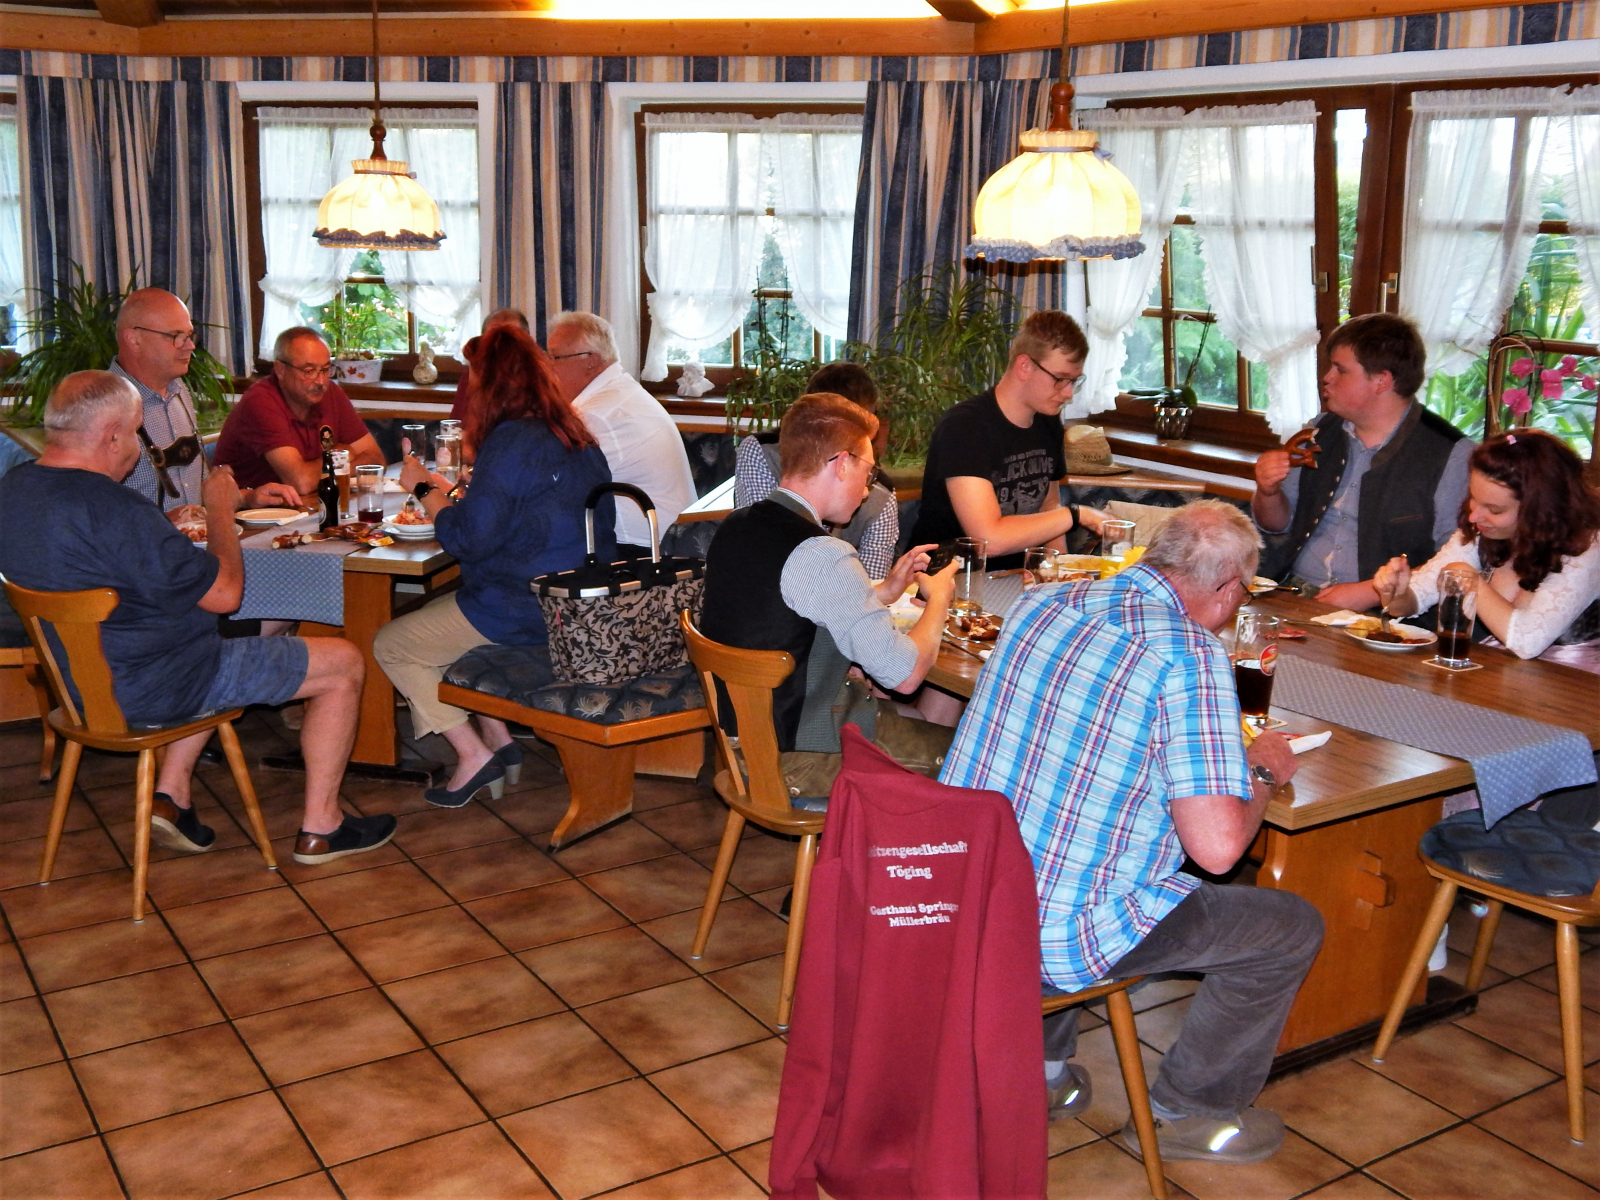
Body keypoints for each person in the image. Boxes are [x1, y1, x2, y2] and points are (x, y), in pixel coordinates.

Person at [940, 500, 1323, 1165]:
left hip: (962, 890)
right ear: (1228, 587)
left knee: (1067, 837)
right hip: (1049, 936)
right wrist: (1261, 772)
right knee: (1288, 927)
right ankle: (1190, 1113)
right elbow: (1218, 850)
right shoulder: (1190, 657)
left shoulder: (1043, 602)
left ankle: (1041, 1074)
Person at [0, 372, 394, 864]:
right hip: (159, 685)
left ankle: (172, 794)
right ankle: (323, 826)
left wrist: (161, 531)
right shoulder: (117, 508)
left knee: (265, 620)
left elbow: (93, 555)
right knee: (344, 662)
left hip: (81, 688)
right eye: (137, 433)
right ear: (112, 436)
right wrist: (220, 510)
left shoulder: (16, 489)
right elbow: (226, 595)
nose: (139, 448)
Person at [373, 325, 616, 809]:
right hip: (577, 600)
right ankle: (501, 743)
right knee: (445, 618)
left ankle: (473, 756)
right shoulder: (571, 432)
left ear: (491, 386)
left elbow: (468, 540)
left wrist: (423, 488)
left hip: (528, 607)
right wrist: (459, 491)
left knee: (393, 644)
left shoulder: (512, 441)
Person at [701, 392, 958, 755]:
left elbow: (776, 610)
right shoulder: (823, 553)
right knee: (963, 750)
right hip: (801, 754)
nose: (867, 489)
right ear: (842, 464)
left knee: (917, 716)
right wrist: (940, 599)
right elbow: (906, 675)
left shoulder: (737, 525)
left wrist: (882, 592)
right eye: (868, 472)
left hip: (744, 738)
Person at [1253, 313, 1474, 610]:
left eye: (1340, 370)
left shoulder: (1451, 454)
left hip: (1384, 617)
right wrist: (1267, 492)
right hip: (1295, 594)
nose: (1327, 377)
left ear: (1381, 381)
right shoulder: (1319, 430)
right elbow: (1277, 525)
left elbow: (1457, 561)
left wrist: (1372, 591)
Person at [1374, 429, 1600, 671]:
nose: (1474, 516)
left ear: (1541, 509)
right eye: (1473, 498)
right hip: (1500, 674)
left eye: (1495, 510)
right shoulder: (1483, 533)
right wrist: (1396, 593)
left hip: (1571, 684)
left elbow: (1526, 643)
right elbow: (1414, 599)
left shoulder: (1588, 548)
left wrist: (1470, 579)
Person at [909, 311, 1106, 570]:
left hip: (1016, 575)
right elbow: (988, 540)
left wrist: (1060, 575)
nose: (1068, 393)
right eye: (1060, 379)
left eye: (1074, 381)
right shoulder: (964, 426)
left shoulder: (1048, 422)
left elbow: (1048, 508)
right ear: (1024, 366)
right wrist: (1075, 514)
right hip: (947, 579)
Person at [111, 288, 299, 512]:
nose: (190, 346)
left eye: (189, 335)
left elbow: (197, 490)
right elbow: (94, 513)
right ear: (134, 339)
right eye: (176, 336)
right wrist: (162, 525)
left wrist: (247, 498)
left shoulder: (179, 390)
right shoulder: (103, 406)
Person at [545, 311, 696, 556]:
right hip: (665, 537)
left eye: (555, 357)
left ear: (590, 361)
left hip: (645, 550)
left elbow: (555, 483)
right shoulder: (618, 393)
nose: (548, 367)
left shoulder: (599, 413)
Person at [734, 362, 900, 580]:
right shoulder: (763, 452)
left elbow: (871, 583)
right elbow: (763, 548)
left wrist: (884, 591)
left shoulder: (881, 495)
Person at [213, 327, 384, 494]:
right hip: (250, 509)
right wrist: (339, 458)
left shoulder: (330, 392)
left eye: (325, 370)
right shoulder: (260, 401)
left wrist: (336, 465)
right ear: (280, 370)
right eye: (309, 371)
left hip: (307, 503)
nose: (321, 381)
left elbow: (375, 461)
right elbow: (301, 482)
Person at [450, 308, 530, 421]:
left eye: (509, 338)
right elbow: (458, 423)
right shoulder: (472, 376)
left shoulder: (538, 378)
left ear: (526, 341)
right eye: (493, 337)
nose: (500, 344)